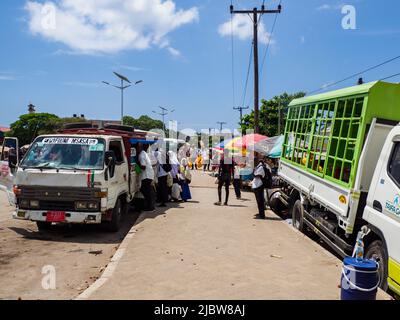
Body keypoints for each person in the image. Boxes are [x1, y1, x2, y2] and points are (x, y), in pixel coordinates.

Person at [137, 143, 155, 212]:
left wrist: (137, 163)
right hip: (149, 174)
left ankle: (150, 206)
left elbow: (143, 167)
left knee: (145, 190)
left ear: (140, 148)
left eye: (138, 148)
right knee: (147, 191)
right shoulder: (144, 153)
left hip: (147, 175)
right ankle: (150, 206)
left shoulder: (141, 155)